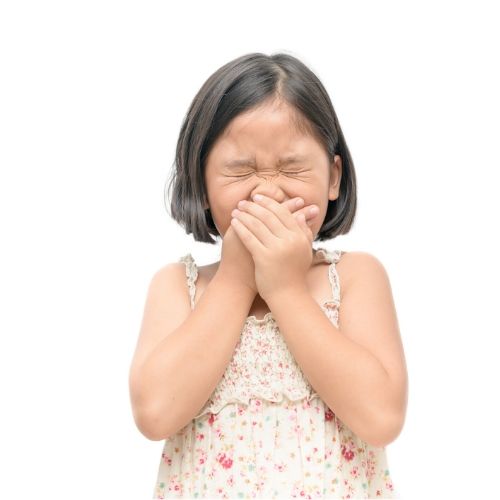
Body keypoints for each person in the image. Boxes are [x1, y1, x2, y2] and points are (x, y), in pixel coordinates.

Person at [129, 52, 407, 499]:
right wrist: (238, 280)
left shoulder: (354, 278)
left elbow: (382, 417)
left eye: (292, 168)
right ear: (201, 184)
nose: (268, 189)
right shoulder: (179, 289)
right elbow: (156, 412)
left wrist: (285, 289)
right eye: (241, 170)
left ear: (333, 178)